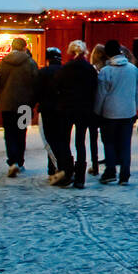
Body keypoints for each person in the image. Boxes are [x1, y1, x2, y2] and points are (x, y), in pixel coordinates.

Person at [0, 37, 39, 176]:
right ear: (24, 47)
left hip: (7, 105)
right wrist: (35, 103)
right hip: (24, 106)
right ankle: (20, 162)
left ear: (12, 47)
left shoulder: (4, 62)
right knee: (21, 133)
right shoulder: (31, 63)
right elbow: (36, 84)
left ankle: (12, 161)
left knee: (9, 134)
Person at [94, 39, 138, 185]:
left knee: (109, 142)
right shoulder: (133, 69)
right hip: (128, 111)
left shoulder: (106, 71)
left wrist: (97, 111)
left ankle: (110, 171)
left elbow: (101, 94)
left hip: (110, 112)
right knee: (125, 143)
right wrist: (135, 107)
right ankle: (125, 174)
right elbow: (137, 91)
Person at [54, 40, 98, 188]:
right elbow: (94, 89)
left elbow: (56, 86)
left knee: (64, 141)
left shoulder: (65, 68)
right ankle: (80, 177)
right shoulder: (90, 69)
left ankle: (68, 171)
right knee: (80, 143)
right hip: (84, 109)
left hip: (66, 108)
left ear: (70, 52)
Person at [36, 47, 65, 180]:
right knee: (62, 139)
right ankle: (63, 166)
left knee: (50, 138)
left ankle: (53, 168)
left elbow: (36, 92)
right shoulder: (65, 71)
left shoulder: (42, 72)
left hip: (47, 109)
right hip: (63, 109)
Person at [85, 44, 108, 177]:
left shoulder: (94, 70)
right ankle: (109, 159)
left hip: (94, 107)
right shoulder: (107, 69)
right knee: (106, 137)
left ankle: (94, 165)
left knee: (93, 138)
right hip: (107, 108)